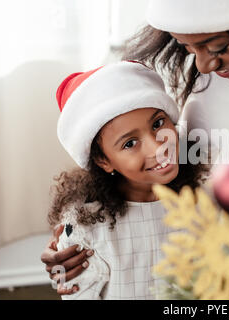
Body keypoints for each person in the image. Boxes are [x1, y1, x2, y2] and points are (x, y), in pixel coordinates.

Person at [41, 0, 229, 295]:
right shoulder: (204, 97)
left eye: (218, 47)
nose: (202, 65)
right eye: (187, 48)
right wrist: (67, 248)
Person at [47, 61, 207, 299]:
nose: (158, 147)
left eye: (158, 124)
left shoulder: (204, 196)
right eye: (130, 143)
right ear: (103, 160)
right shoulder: (85, 225)